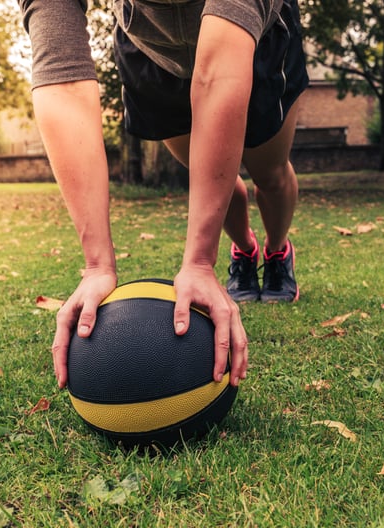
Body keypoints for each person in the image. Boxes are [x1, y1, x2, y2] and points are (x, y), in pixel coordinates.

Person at [17, 0, 309, 391]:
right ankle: (245, 249)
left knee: (268, 175)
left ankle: (276, 252)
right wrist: (97, 266)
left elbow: (218, 74)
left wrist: (200, 262)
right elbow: (63, 80)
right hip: (155, 54)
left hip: (257, 40)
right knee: (209, 177)